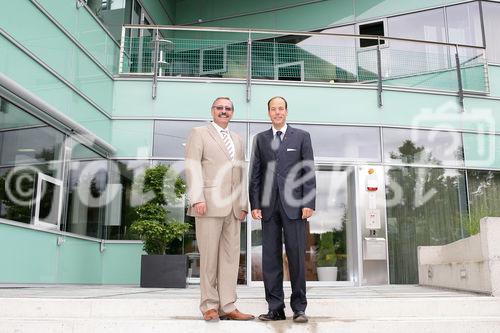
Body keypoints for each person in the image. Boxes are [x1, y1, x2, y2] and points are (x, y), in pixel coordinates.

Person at [185, 97, 254, 322]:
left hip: (234, 209)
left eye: (228, 108)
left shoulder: (238, 139)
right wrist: (196, 198)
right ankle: (209, 306)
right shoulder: (199, 133)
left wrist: (243, 204)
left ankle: (228, 305)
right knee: (209, 259)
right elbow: (193, 166)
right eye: (219, 108)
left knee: (231, 259)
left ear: (232, 112)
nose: (224, 111)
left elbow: (242, 174)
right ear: (212, 111)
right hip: (208, 204)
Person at [249, 96, 316, 323]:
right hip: (268, 207)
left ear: (286, 111)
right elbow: (255, 174)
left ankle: (299, 308)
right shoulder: (260, 139)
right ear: (268, 113)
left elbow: (308, 172)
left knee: (297, 256)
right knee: (270, 259)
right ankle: (275, 308)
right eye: (273, 109)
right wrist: (255, 204)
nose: (277, 112)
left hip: (295, 206)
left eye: (281, 109)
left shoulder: (302, 137)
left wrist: (308, 202)